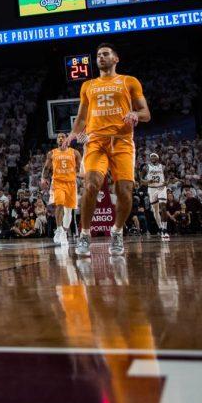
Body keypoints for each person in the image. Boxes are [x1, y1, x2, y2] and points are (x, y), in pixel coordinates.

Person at [62, 42, 150, 257]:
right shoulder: (88, 85)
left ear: (115, 58)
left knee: (125, 191)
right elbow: (82, 117)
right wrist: (73, 134)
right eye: (98, 55)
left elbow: (146, 112)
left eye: (105, 54)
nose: (100, 57)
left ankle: (117, 231)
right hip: (95, 142)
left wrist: (135, 115)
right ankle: (84, 234)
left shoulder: (129, 81)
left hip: (122, 141)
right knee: (91, 185)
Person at [40, 133, 80, 246]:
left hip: (71, 184)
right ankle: (59, 230)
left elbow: (81, 168)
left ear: (67, 139)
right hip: (58, 182)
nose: (60, 138)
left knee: (68, 212)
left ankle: (64, 231)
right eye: (58, 137)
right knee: (60, 204)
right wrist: (43, 178)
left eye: (63, 136)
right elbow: (46, 167)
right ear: (57, 140)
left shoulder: (75, 153)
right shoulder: (52, 153)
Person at [141, 151, 171, 241]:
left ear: (158, 158)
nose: (153, 157)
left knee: (163, 207)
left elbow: (168, 176)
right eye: (151, 156)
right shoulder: (146, 167)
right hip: (151, 188)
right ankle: (161, 228)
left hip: (161, 188)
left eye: (154, 156)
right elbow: (141, 179)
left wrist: (167, 181)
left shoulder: (163, 167)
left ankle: (165, 229)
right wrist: (145, 181)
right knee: (155, 210)